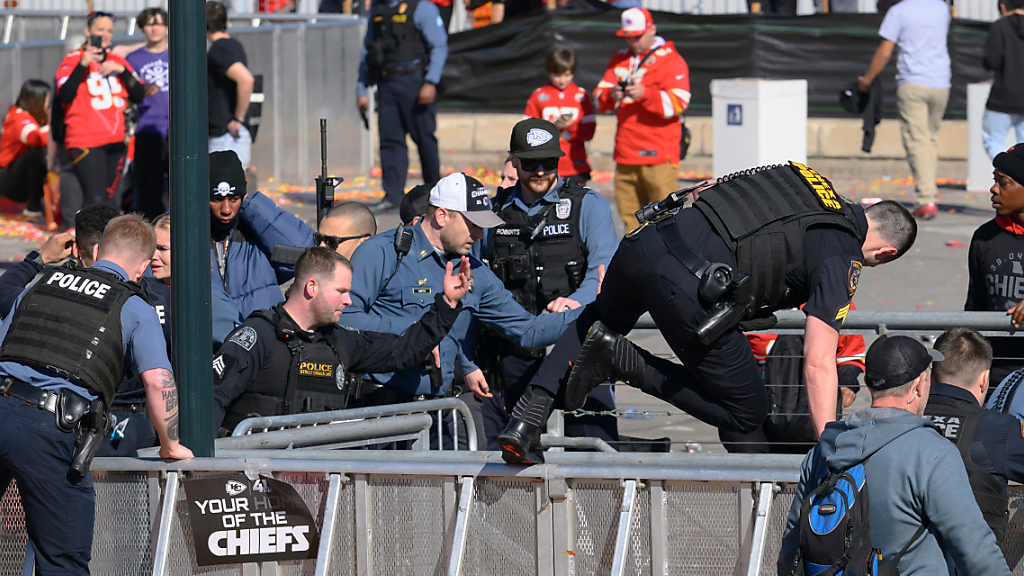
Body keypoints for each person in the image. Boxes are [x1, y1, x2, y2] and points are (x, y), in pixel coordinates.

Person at [498, 162, 917, 465]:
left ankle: (525, 422)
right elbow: (820, 361)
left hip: (647, 238)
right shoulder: (843, 255)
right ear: (886, 252)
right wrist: (828, 446)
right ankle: (622, 360)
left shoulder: (806, 176)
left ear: (866, 204)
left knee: (596, 319)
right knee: (748, 413)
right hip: (688, 285)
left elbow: (713, 186)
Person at [0, 214, 192, 575]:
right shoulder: (135, 308)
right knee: (63, 560)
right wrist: (171, 444)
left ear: (99, 250)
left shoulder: (42, 284)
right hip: (49, 430)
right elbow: (157, 381)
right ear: (141, 268)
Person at [343, 172, 580, 411]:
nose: (479, 235)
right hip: (379, 409)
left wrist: (595, 312)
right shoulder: (384, 253)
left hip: (440, 410)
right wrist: (414, 336)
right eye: (473, 225)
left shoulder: (474, 271)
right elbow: (343, 318)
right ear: (442, 216)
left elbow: (528, 330)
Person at [777, 335, 1011, 576]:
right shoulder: (932, 453)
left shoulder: (823, 451)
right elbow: (977, 553)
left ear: (868, 384)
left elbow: (791, 553)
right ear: (920, 384)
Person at [212, 246, 471, 432]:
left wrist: (447, 304)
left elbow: (402, 351)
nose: (348, 300)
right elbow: (212, 400)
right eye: (341, 291)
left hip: (317, 481)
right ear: (312, 287)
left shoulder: (339, 341)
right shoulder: (257, 336)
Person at [478, 118, 618, 447]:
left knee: (596, 460)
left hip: (581, 352)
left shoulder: (588, 204)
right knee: (519, 464)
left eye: (548, 162)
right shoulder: (490, 212)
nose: (540, 171)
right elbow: (472, 274)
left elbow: (604, 272)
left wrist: (575, 304)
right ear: (513, 160)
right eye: (529, 163)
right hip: (515, 356)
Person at [718, 302, 865, 454]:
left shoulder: (830, 295)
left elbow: (850, 355)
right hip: (753, 405)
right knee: (751, 460)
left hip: (810, 410)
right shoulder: (746, 294)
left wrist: (846, 385)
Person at [593, 7, 690, 231]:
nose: (633, 41)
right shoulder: (620, 58)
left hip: (659, 155)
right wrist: (611, 94)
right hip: (626, 154)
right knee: (630, 223)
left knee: (666, 220)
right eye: (628, 37)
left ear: (652, 30)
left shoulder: (671, 60)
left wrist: (646, 94)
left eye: (637, 36)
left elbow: (679, 103)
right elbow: (599, 95)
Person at [925, 328, 1024, 547]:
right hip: (974, 561)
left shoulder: (906, 421)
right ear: (984, 379)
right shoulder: (1000, 430)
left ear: (931, 376)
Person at [857, 0, 951, 220]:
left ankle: (926, 197)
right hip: (941, 81)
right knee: (930, 139)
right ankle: (929, 191)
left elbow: (884, 52)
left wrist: (867, 79)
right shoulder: (941, 8)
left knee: (917, 140)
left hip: (912, 81)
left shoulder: (899, 12)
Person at [356, 0, 447, 212]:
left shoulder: (421, 7)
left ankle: (434, 192)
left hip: (415, 81)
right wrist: (361, 90)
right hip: (387, 83)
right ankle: (393, 195)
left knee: (425, 139)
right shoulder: (378, 9)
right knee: (390, 142)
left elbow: (439, 45)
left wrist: (431, 81)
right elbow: (366, 52)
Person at [54, 11, 146, 213]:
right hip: (86, 140)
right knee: (94, 198)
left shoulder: (116, 60)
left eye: (109, 31)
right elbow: (65, 95)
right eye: (100, 30)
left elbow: (138, 95)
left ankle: (107, 243)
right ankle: (90, 243)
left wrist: (122, 71)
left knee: (110, 199)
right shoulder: (73, 59)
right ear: (88, 31)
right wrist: (83, 64)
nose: (105, 35)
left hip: (116, 139)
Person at [208, 150, 313, 319]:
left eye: (234, 199)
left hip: (262, 340)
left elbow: (306, 254)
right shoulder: (181, 230)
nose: (226, 209)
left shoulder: (257, 229)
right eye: (217, 200)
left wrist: (253, 207)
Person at [966, 143, 1024, 385]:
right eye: (994, 179)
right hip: (995, 379)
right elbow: (973, 308)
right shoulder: (984, 237)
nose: (993, 188)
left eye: (1004, 181)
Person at [524, 48, 596, 184]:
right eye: (557, 75)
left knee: (577, 204)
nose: (562, 80)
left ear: (573, 72)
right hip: (546, 166)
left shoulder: (581, 96)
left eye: (567, 75)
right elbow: (526, 133)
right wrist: (548, 127)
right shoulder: (538, 95)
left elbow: (589, 133)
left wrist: (572, 125)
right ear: (549, 72)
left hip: (574, 164)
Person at [126, 7, 170, 219]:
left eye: (159, 23)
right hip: (147, 129)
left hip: (175, 130)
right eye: (150, 24)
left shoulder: (177, 54)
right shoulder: (134, 58)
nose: (155, 29)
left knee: (175, 187)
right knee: (148, 187)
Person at [207, 1, 255, 169]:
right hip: (230, 133)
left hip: (226, 135)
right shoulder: (233, 45)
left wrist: (237, 119)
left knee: (221, 191)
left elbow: (246, 80)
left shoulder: (217, 51)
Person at [0, 80, 50, 217]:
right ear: (36, 100)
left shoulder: (32, 116)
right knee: (37, 155)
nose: (49, 105)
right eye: (47, 101)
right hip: (7, 178)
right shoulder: (18, 117)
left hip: (13, 174)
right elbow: (36, 138)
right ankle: (33, 205)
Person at [982, 1, 1024, 160]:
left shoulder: (999, 27)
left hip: (1002, 96)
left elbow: (991, 61)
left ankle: (1007, 172)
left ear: (1002, 6)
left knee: (993, 139)